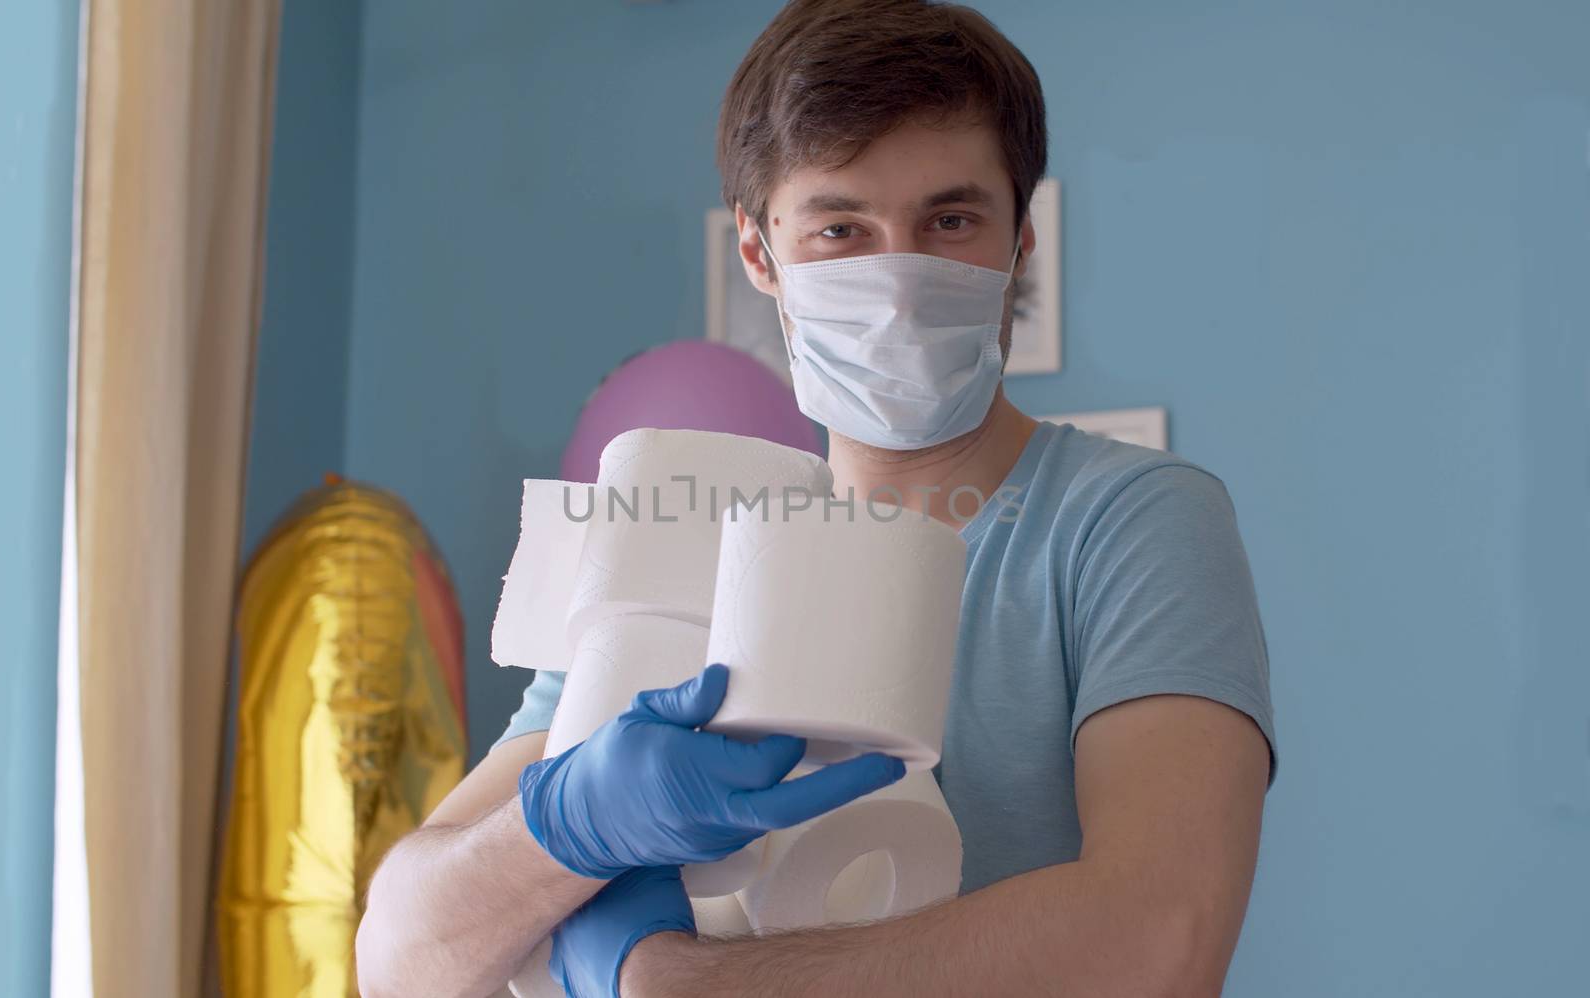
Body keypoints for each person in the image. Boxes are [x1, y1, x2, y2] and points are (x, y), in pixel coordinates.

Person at [356, 1, 1278, 995]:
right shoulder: (678, 538)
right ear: (758, 251)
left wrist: (669, 978)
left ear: (1021, 241)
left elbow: (1158, 937)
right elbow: (400, 955)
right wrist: (559, 828)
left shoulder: (1129, 520)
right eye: (842, 226)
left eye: (951, 219)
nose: (897, 280)